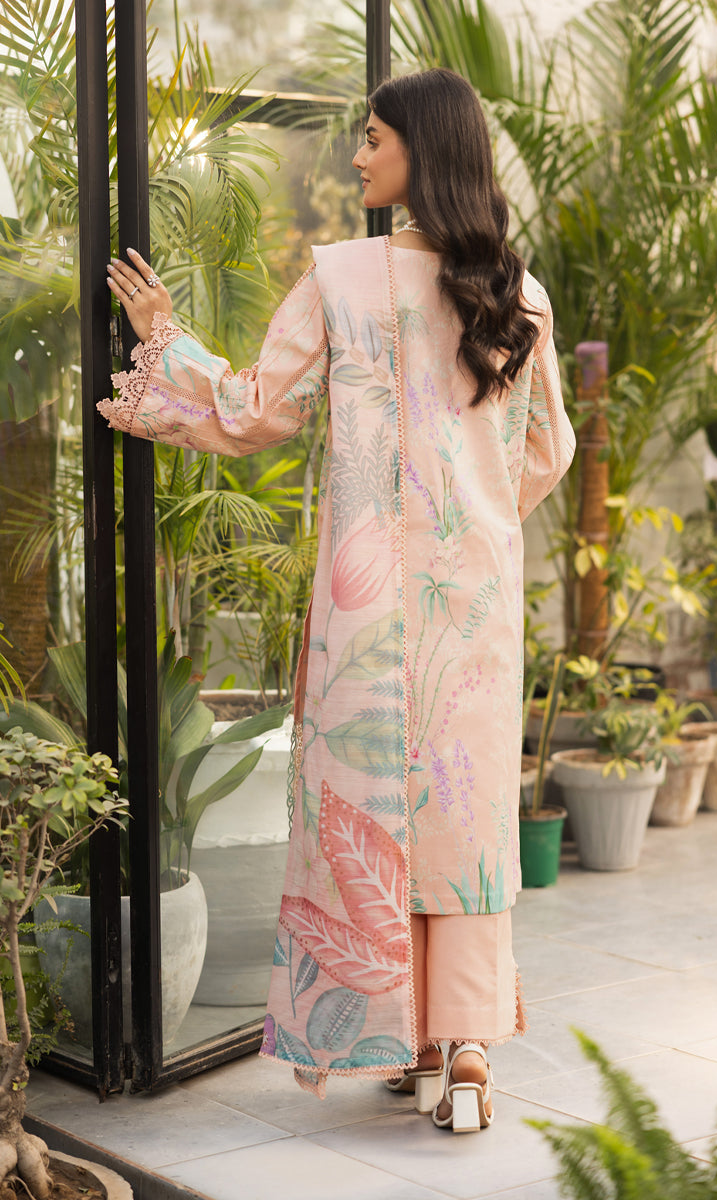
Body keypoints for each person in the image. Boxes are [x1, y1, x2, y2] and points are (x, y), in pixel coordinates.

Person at [100, 67, 575, 1133]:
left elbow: (255, 410)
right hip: (473, 605)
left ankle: (405, 1037)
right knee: (460, 814)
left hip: (368, 609)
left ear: (421, 150)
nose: (356, 157)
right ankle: (460, 1053)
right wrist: (470, 524)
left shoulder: (344, 278)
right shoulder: (520, 293)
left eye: (371, 138)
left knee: (370, 807)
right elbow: (547, 453)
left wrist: (164, 336)